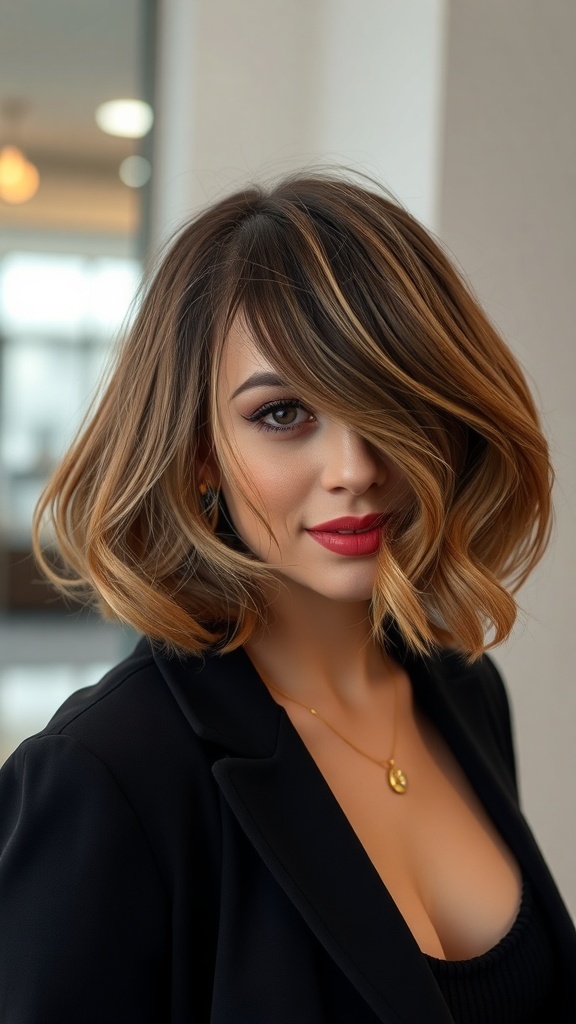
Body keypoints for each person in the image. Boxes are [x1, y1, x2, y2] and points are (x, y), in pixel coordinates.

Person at [0, 171, 574, 1024]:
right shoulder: (106, 775)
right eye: (283, 414)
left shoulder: (463, 691)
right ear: (199, 450)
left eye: (390, 403)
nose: (356, 470)